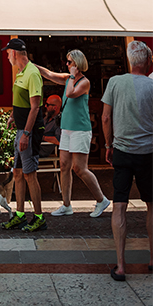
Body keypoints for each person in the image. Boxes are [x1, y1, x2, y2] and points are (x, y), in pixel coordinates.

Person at [101, 39, 153, 282]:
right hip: (148, 153)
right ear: (148, 62)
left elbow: (105, 118)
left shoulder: (115, 82)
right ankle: (152, 259)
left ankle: (121, 266)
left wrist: (108, 145)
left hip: (122, 151)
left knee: (120, 205)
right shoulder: (152, 86)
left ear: (130, 61)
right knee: (151, 205)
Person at [39, 49, 112, 217]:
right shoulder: (68, 79)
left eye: (70, 62)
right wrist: (30, 64)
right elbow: (49, 74)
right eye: (67, 62)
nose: (67, 65)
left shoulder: (83, 82)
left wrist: (71, 76)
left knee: (79, 168)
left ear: (77, 65)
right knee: (64, 166)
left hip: (80, 129)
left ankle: (101, 200)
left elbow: (70, 93)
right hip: (66, 129)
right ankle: (66, 205)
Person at [6, 38, 48, 228]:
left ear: (15, 53)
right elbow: (21, 100)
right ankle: (20, 214)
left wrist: (26, 134)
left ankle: (39, 218)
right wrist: (13, 115)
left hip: (29, 132)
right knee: (18, 172)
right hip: (21, 129)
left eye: (8, 53)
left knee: (30, 174)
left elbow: (35, 107)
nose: (7, 57)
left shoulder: (32, 73)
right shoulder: (21, 72)